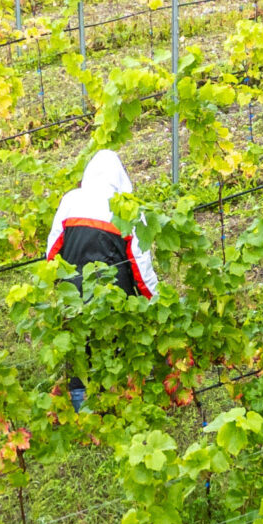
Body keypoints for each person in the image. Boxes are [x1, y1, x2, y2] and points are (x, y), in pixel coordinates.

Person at [43, 149, 159, 410]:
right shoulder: (128, 209)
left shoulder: (71, 200)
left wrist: (57, 290)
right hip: (114, 299)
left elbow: (52, 253)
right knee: (114, 354)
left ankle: (83, 412)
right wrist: (155, 301)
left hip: (73, 297)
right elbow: (140, 264)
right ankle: (115, 408)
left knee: (79, 357)